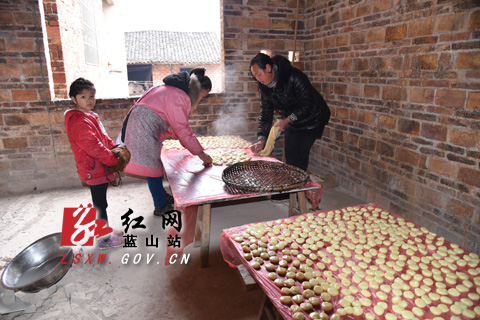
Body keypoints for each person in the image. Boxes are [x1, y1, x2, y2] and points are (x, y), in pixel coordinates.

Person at [121, 68, 213, 217]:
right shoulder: (179, 96)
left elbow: (174, 125)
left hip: (143, 122)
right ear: (198, 90)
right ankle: (160, 205)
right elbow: (182, 129)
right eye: (203, 96)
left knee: (154, 165)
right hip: (143, 126)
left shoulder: (173, 90)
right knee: (153, 168)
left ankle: (161, 196)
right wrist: (201, 153)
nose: (200, 100)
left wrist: (187, 142)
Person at [249, 53, 331, 200]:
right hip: (293, 119)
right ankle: (289, 188)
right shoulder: (264, 86)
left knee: (299, 154)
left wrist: (287, 120)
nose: (258, 79)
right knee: (291, 152)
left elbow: (308, 104)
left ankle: (296, 191)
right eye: (254, 76)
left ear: (268, 68)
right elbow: (266, 113)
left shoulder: (293, 76)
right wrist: (262, 139)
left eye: (258, 74)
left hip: (313, 117)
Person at [65, 78, 124, 249]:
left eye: (92, 96)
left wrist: (115, 147)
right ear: (73, 99)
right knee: (99, 205)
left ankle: (105, 231)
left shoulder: (91, 116)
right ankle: (104, 240)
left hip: (100, 167)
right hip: (93, 169)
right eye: (83, 97)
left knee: (102, 203)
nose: (89, 100)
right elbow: (94, 147)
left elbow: (103, 138)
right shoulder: (78, 122)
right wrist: (113, 159)